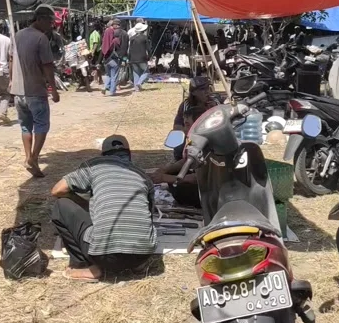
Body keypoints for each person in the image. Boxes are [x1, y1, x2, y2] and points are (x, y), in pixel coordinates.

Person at [51, 134, 157, 282]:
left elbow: (57, 190)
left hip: (104, 257)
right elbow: (150, 214)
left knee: (61, 205)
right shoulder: (142, 175)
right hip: (142, 254)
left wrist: (82, 203)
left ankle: (85, 266)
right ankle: (137, 266)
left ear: (103, 154)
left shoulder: (95, 165)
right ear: (129, 154)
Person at [10, 5, 60, 177]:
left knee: (25, 126)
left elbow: (11, 60)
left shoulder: (18, 35)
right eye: (50, 21)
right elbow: (47, 67)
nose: (51, 25)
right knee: (41, 125)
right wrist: (53, 90)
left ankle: (28, 157)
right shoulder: (41, 39)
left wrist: (11, 81)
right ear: (40, 19)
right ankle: (33, 158)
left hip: (18, 91)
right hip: (35, 90)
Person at [150, 106, 204, 207]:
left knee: (179, 184)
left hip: (206, 191)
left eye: (188, 125)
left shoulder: (207, 145)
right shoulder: (194, 141)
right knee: (173, 173)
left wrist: (165, 177)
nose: (184, 129)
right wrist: (164, 170)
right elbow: (185, 160)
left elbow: (198, 178)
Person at [173, 76, 217, 159]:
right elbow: (177, 126)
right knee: (176, 138)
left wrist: (214, 109)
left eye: (208, 88)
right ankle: (180, 159)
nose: (207, 92)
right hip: (191, 135)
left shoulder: (216, 103)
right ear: (193, 92)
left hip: (212, 135)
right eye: (203, 89)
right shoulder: (186, 106)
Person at [129, 22, 150, 91]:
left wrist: (129, 58)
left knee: (136, 73)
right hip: (142, 58)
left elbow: (130, 49)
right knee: (146, 72)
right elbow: (148, 48)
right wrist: (149, 56)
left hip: (132, 58)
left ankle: (136, 88)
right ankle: (139, 82)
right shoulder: (144, 38)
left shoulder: (132, 38)